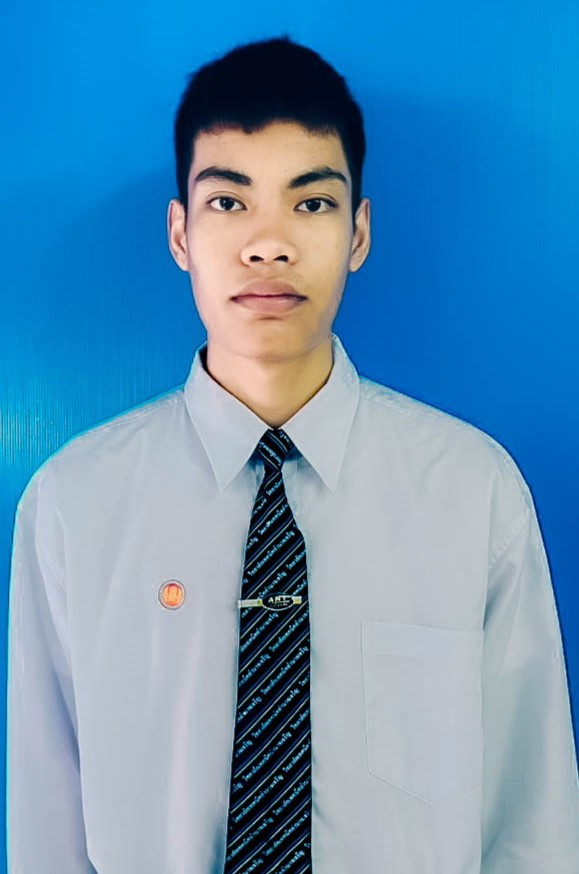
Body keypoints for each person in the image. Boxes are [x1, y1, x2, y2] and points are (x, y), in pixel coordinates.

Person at [6, 33, 579, 874]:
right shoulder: (72, 505)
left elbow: (533, 822)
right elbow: (46, 825)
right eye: (228, 202)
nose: (268, 243)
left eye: (310, 203)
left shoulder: (471, 492)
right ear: (179, 233)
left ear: (358, 233)